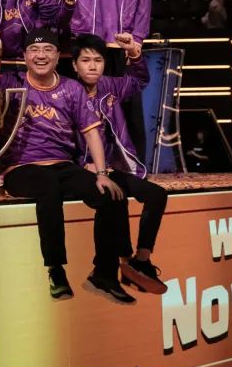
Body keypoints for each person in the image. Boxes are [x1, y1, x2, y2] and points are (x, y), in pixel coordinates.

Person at [0, 28, 134, 303]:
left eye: (48, 50)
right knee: (48, 188)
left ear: (58, 56)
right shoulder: (10, 83)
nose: (41, 56)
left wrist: (101, 173)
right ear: (25, 56)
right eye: (34, 50)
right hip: (21, 168)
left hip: (63, 165)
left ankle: (105, 272)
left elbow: (91, 132)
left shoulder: (71, 89)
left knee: (111, 193)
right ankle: (56, 269)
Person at [69, 32, 168, 294]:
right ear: (74, 65)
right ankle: (119, 264)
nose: (92, 66)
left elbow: (139, 81)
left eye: (98, 60)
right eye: (86, 60)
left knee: (157, 194)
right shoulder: (67, 92)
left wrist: (134, 53)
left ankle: (141, 261)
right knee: (115, 195)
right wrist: (82, 165)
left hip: (113, 167)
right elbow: (60, 139)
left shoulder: (109, 86)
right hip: (82, 169)